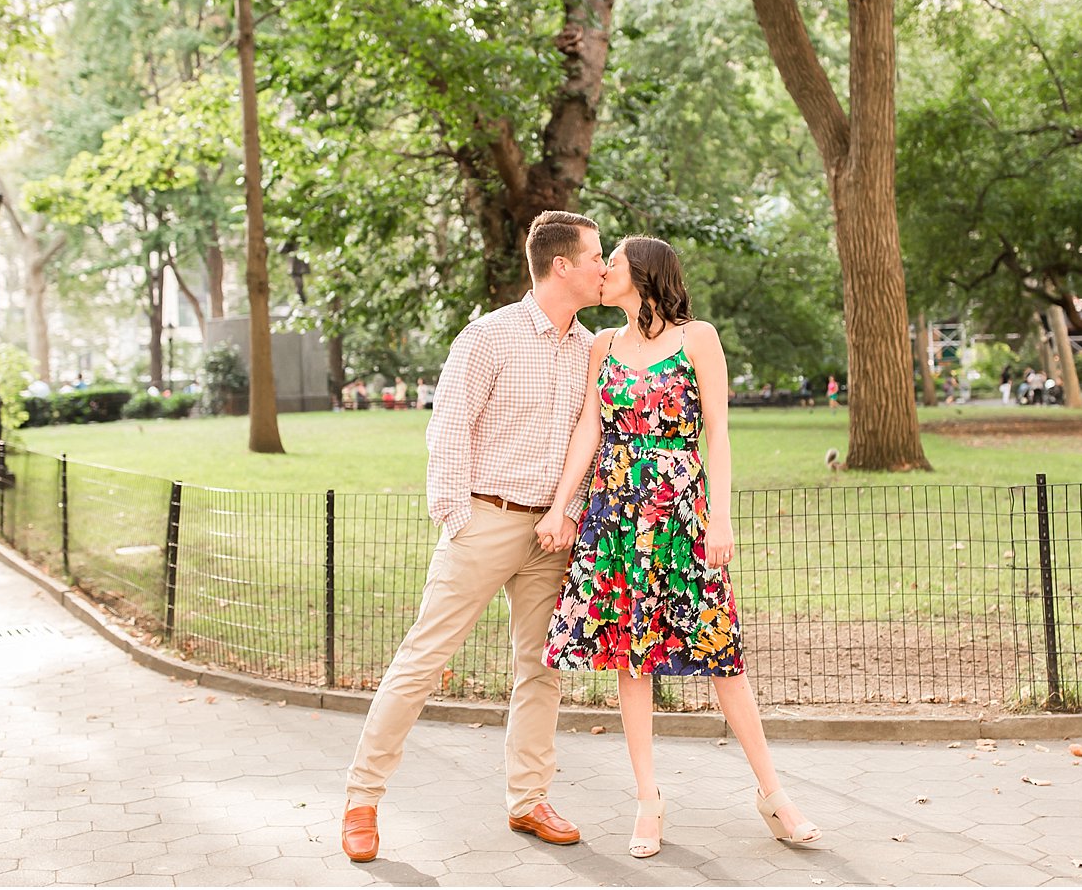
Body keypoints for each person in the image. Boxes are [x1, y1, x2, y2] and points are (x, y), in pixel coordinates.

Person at [536, 236, 819, 859]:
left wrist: (721, 518)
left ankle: (774, 795)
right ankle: (648, 800)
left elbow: (718, 434)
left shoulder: (699, 339)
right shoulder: (602, 346)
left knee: (721, 654)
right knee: (631, 661)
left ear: (641, 274)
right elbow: (590, 427)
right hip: (614, 515)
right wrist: (561, 505)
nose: (600, 273)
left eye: (609, 265)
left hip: (680, 513)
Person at [339, 211, 606, 863]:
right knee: (424, 658)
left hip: (553, 531)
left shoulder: (591, 348)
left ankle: (528, 799)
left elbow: (589, 440)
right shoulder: (489, 336)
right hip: (484, 519)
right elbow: (449, 428)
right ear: (561, 265)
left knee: (541, 671)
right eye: (597, 255)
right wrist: (457, 518)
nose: (605, 266)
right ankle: (361, 798)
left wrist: (568, 509)